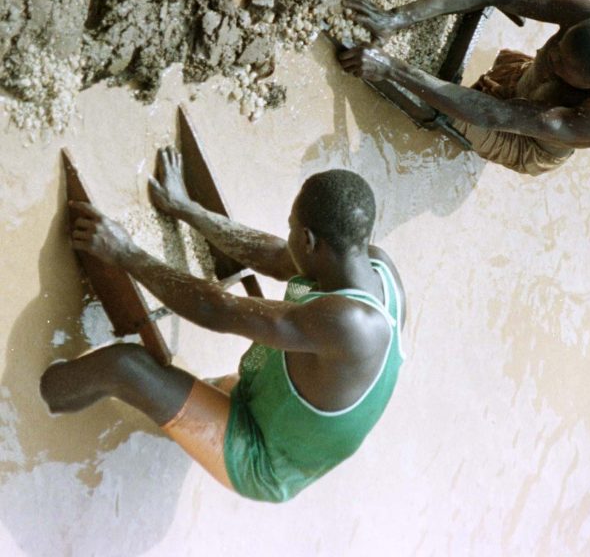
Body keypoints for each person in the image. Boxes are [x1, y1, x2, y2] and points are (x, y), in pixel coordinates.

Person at [40, 147, 406, 502]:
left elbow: (218, 310)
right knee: (174, 396)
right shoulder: (369, 265)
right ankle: (174, 426)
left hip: (263, 459)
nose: (288, 235)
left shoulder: (349, 325)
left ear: (310, 241)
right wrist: (188, 210)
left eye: (292, 228)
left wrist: (126, 254)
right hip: (269, 407)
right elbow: (278, 256)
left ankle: (41, 396)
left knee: (122, 365)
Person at [337, 0, 590, 176]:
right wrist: (396, 18)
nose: (551, 53)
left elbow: (494, 114)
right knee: (484, 83)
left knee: (445, 114)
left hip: (528, 138)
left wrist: (391, 68)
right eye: (558, 45)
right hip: (522, 82)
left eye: (562, 63)